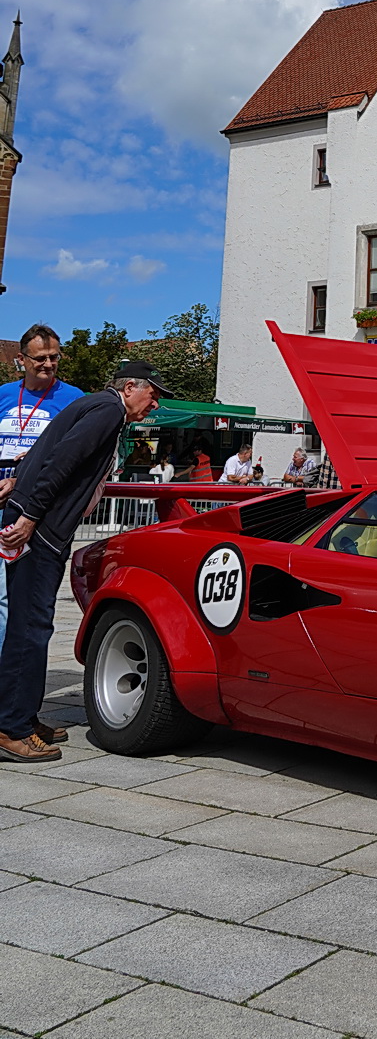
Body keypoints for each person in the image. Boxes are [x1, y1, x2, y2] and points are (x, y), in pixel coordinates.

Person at [0, 358, 171, 762]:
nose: (155, 404)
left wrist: (20, 487)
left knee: (31, 625)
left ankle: (22, 717)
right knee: (30, 628)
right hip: (40, 531)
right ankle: (10, 728)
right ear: (130, 388)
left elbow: (49, 451)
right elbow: (62, 462)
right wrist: (30, 515)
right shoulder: (108, 410)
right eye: (153, 395)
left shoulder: (99, 406)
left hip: (41, 526)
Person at [0, 326, 84, 679]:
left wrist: (23, 478)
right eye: (40, 358)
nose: (49, 364)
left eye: (54, 357)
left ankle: (9, 684)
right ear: (21, 360)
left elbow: (72, 458)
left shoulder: (73, 399)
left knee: (15, 602)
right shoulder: (4, 394)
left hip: (32, 513)